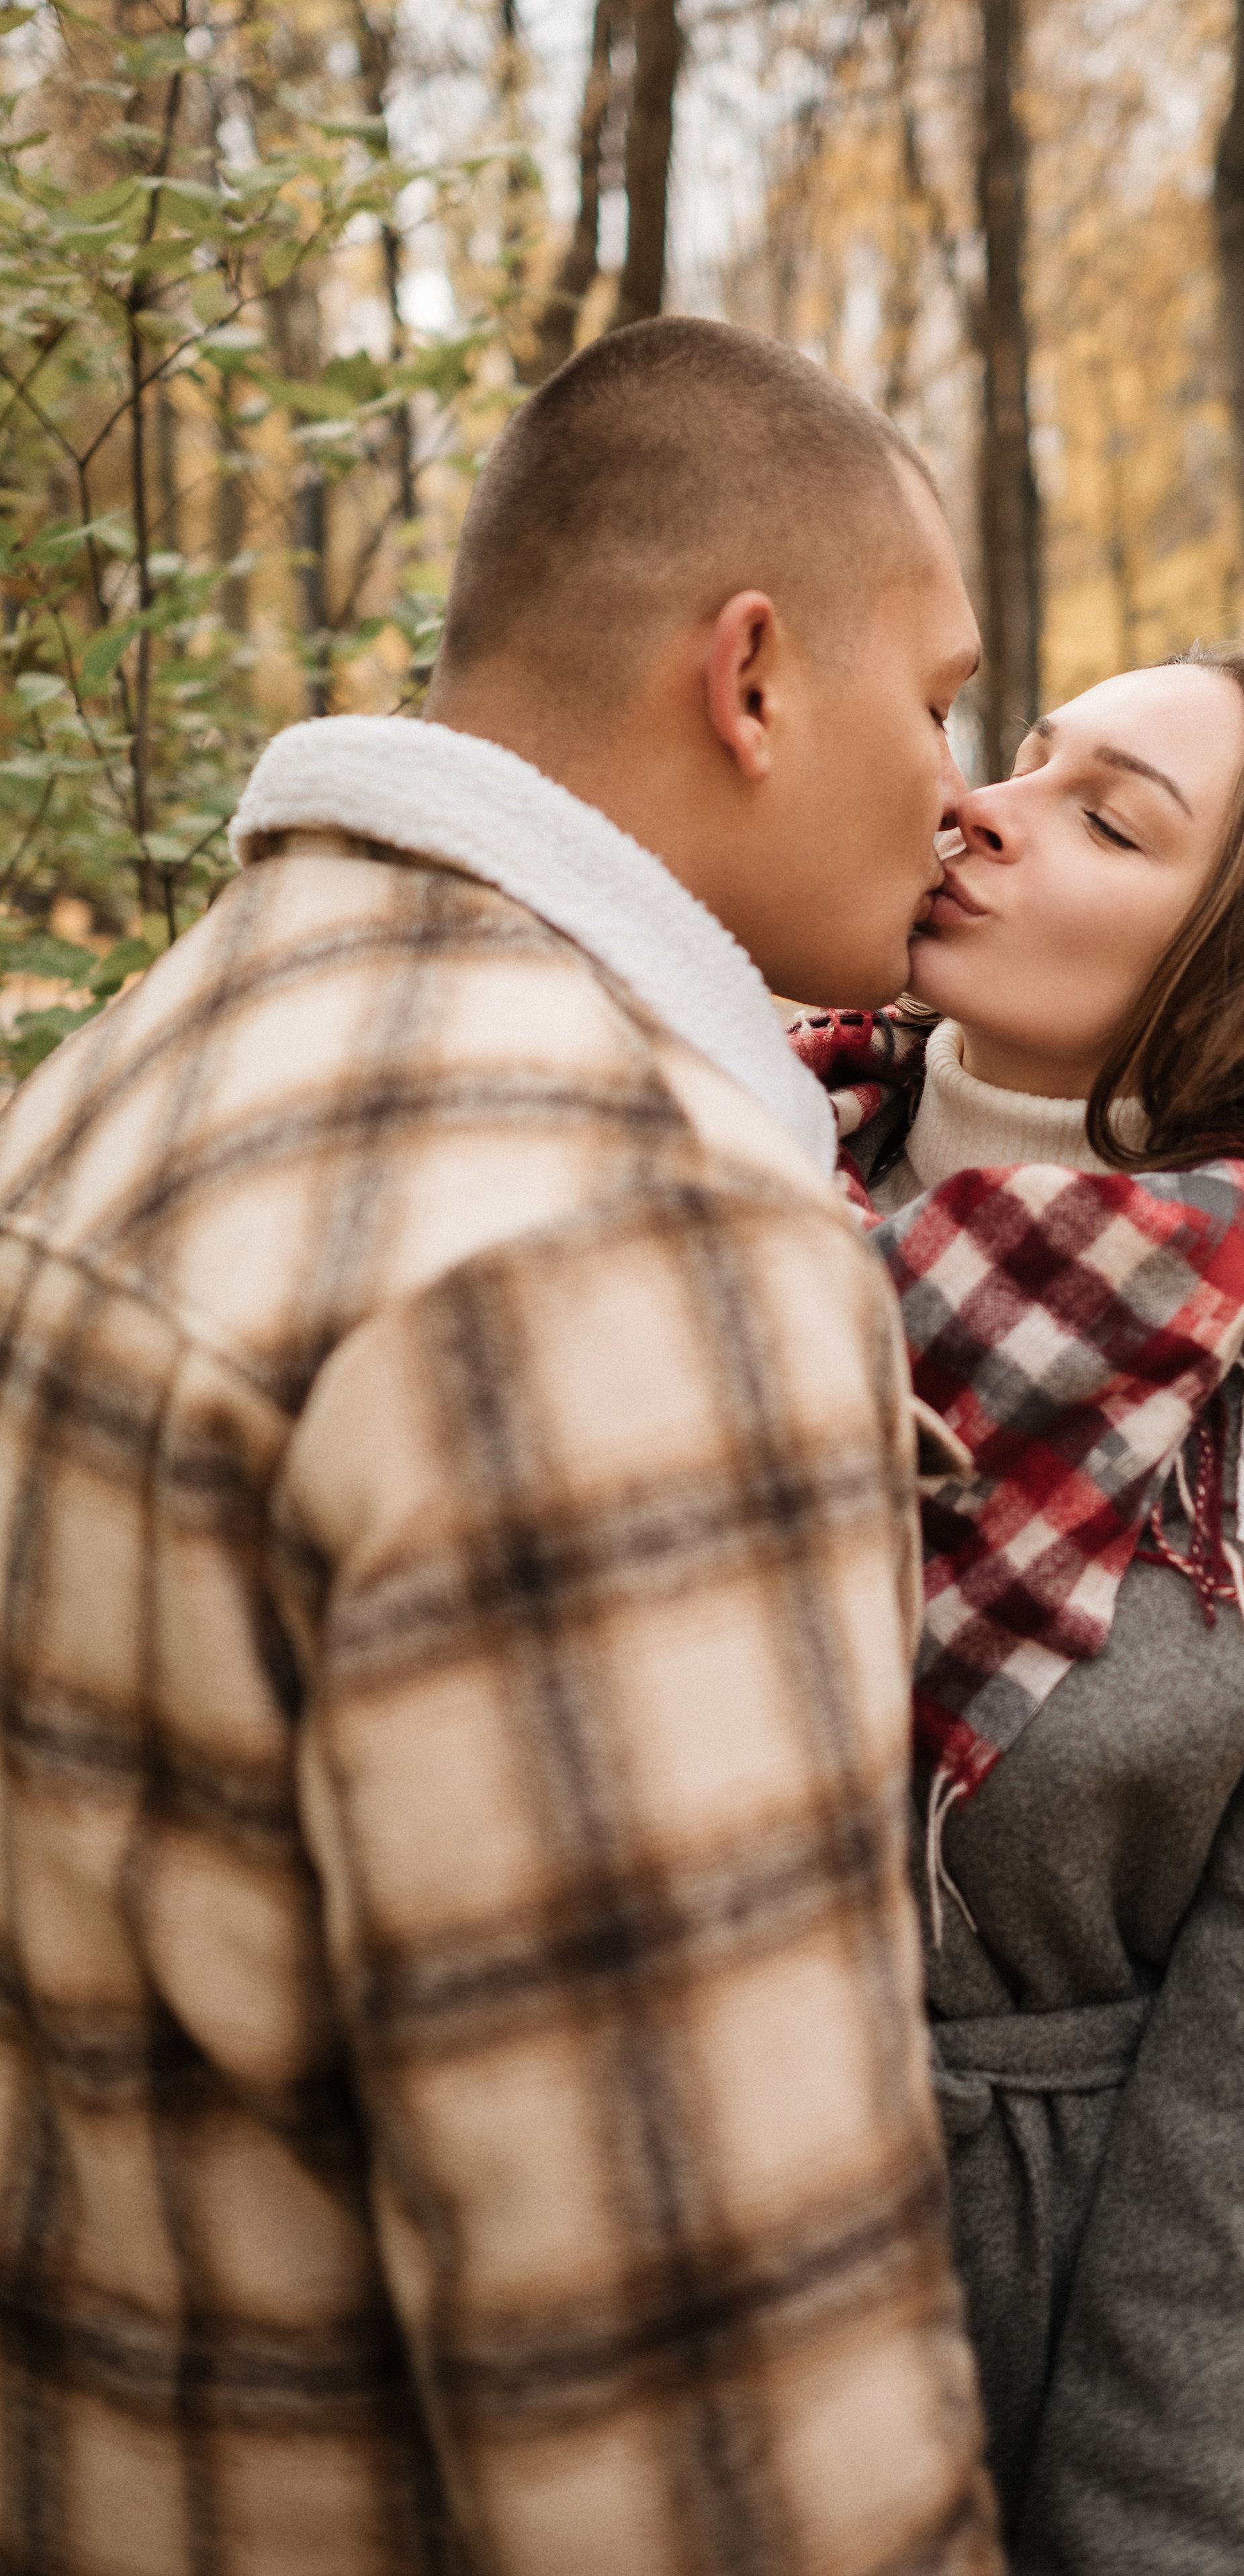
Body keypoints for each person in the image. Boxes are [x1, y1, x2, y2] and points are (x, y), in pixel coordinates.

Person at [0, 320, 1003, 2575]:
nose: (963, 790)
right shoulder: (624, 1242)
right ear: (751, 681)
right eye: (937, 699)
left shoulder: (129, 1071)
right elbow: (716, 2423)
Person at [790, 647, 1244, 2575]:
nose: (981, 808)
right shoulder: (717, 1187)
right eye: (1021, 756)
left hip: (1066, 2423)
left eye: (1105, 818)